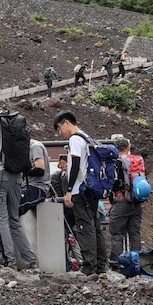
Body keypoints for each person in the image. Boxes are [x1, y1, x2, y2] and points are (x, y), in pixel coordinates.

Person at [0, 92, 37, 269]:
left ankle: (9, 261)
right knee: (14, 219)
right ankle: (29, 259)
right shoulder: (12, 120)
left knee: (1, 219)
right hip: (16, 175)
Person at [53, 110, 107, 276]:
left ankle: (89, 267)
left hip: (80, 191)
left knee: (84, 227)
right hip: (91, 190)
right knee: (95, 227)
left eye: (60, 128)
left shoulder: (75, 139)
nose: (60, 132)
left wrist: (68, 190)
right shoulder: (86, 137)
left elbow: (75, 164)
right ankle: (101, 267)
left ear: (67, 122)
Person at [109, 136, 145, 264]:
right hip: (136, 201)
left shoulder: (116, 162)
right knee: (134, 233)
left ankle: (118, 263)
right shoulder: (137, 161)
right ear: (128, 148)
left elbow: (112, 183)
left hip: (121, 201)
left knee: (117, 233)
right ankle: (137, 262)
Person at [19, 139, 50, 216]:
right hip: (27, 186)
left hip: (37, 187)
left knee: (14, 207)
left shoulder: (35, 147)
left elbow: (40, 170)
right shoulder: (26, 149)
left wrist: (21, 171)